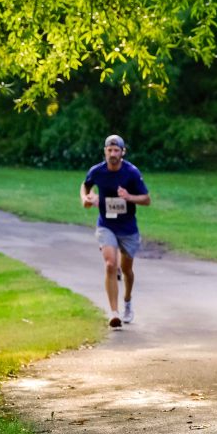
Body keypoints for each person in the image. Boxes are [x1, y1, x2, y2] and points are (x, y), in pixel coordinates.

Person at [81, 135, 151, 328]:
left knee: (127, 269)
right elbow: (85, 185)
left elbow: (146, 199)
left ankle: (127, 301)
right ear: (105, 151)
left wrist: (129, 197)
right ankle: (114, 313)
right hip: (106, 225)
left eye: (116, 150)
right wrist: (86, 199)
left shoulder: (131, 172)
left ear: (122, 152)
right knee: (111, 264)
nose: (112, 154)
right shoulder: (97, 171)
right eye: (109, 150)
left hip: (128, 228)